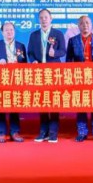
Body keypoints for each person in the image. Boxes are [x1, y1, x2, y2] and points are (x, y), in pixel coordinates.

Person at [66, 16, 93, 143]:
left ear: (91, 24)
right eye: (82, 23)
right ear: (78, 26)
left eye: (87, 23)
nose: (85, 25)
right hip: (79, 76)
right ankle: (82, 132)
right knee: (81, 104)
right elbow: (69, 60)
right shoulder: (73, 40)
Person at [26, 8, 66, 143]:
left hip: (54, 72)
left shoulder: (58, 34)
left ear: (51, 19)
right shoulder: (34, 35)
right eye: (41, 18)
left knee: (54, 101)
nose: (44, 20)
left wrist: (55, 54)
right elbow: (30, 52)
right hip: (39, 72)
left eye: (46, 17)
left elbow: (63, 51)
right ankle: (43, 131)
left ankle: (53, 132)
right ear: (39, 20)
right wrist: (33, 60)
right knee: (42, 101)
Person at [0, 22, 26, 144]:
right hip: (1, 81)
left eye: (11, 30)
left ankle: (15, 132)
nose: (9, 32)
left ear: (14, 31)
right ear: (2, 32)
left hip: (16, 80)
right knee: (0, 106)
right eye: (6, 30)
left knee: (15, 106)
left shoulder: (20, 46)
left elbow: (24, 63)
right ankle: (1, 133)